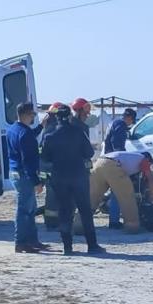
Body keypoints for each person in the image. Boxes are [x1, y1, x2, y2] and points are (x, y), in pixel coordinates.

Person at [41, 105, 106, 255]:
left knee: (64, 212)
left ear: (56, 117)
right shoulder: (79, 132)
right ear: (70, 116)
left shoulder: (50, 136)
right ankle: (92, 245)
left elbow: (45, 157)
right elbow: (89, 152)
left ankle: (67, 247)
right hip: (78, 177)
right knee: (85, 211)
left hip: (60, 178)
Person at [7, 102, 51, 253]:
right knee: (25, 210)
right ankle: (21, 242)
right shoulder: (25, 134)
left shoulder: (13, 129)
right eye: (32, 114)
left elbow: (28, 136)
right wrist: (36, 181)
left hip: (15, 173)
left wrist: (41, 127)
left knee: (30, 209)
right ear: (26, 114)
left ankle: (32, 240)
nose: (34, 116)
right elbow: (28, 160)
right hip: (24, 175)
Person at [90, 151, 153, 234]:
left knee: (93, 197)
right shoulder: (144, 159)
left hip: (99, 163)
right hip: (112, 164)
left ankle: (79, 225)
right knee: (127, 196)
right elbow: (150, 179)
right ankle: (132, 225)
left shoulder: (129, 157)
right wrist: (152, 193)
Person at [40, 102, 65, 231]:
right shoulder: (55, 129)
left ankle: (51, 221)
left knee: (52, 196)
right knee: (54, 197)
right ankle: (52, 222)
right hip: (53, 168)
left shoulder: (47, 128)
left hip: (47, 168)